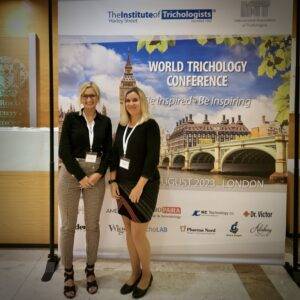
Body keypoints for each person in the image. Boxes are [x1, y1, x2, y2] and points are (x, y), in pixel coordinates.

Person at [58, 81, 112, 298]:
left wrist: (98, 174)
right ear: (81, 98)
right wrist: (81, 177)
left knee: (92, 226)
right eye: (85, 96)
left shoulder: (105, 121)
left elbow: (108, 152)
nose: (89, 99)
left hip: (96, 175)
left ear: (97, 98)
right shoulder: (71, 118)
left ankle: (90, 270)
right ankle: (68, 273)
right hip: (71, 175)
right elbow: (64, 150)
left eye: (93, 96)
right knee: (68, 227)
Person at [109, 87, 160, 299]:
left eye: (135, 100)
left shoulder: (150, 125)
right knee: (128, 231)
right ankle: (134, 272)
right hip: (123, 183)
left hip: (144, 185)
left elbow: (152, 158)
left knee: (139, 234)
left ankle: (146, 275)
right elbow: (114, 154)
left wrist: (140, 185)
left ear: (142, 102)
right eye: (128, 100)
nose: (131, 103)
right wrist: (112, 179)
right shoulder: (122, 126)